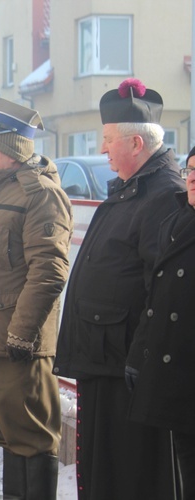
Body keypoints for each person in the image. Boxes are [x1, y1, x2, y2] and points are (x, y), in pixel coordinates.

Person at [54, 78, 184, 499]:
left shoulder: (165, 195)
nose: (103, 149)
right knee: (103, 470)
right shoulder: (131, 187)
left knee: (129, 475)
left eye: (108, 140)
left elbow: (161, 290)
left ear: (134, 142)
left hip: (126, 365)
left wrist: (139, 358)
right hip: (102, 357)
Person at [0, 98, 72, 499]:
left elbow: (49, 270)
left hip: (17, 344)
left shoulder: (40, 195)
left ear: (12, 150)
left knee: (33, 439)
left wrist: (22, 334)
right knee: (8, 437)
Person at [124, 148, 195, 497]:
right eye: (190, 169)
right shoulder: (176, 221)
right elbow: (155, 299)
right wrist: (139, 356)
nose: (192, 177)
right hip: (175, 376)